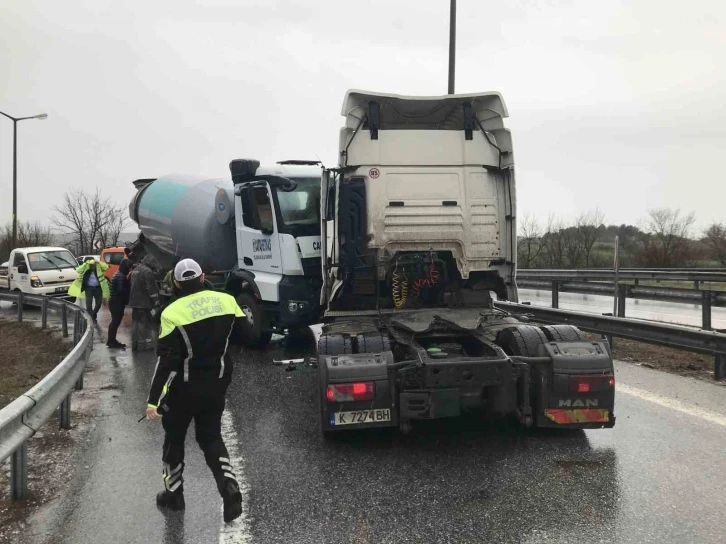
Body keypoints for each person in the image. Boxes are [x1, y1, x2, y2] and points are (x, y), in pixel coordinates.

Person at [145, 258, 245, 523]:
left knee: (174, 439)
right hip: (216, 384)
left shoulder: (172, 312)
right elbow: (245, 332)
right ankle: (229, 487)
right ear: (202, 277)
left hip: (182, 390)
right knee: (211, 438)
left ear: (176, 282)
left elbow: (166, 361)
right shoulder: (226, 300)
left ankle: (174, 495)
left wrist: (153, 400)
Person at [129, 254, 161, 351]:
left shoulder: (135, 270)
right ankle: (143, 345)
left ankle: (135, 343)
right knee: (144, 323)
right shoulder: (147, 271)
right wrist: (156, 301)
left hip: (134, 301)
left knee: (135, 322)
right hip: (144, 303)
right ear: (150, 263)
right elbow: (150, 289)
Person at [69, 257, 110, 322]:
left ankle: (93, 314)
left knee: (99, 303)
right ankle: (90, 317)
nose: (92, 265)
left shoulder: (99, 267)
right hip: (89, 288)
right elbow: (79, 270)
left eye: (93, 263)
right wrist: (85, 264)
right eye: (91, 264)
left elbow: (106, 267)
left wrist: (98, 262)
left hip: (98, 288)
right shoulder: (86, 267)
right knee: (89, 304)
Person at [107, 258, 132, 349]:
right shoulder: (121, 277)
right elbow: (121, 291)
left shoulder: (117, 274)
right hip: (116, 303)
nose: (130, 270)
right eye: (129, 268)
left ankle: (112, 340)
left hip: (114, 302)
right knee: (115, 322)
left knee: (114, 322)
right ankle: (111, 341)